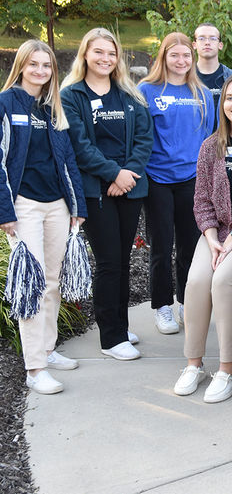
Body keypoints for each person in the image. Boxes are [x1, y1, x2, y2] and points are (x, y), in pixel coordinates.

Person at [60, 28, 154, 361]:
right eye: (98, 52)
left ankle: (119, 325)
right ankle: (110, 338)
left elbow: (145, 138)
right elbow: (79, 146)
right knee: (109, 261)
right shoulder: (71, 95)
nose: (105, 59)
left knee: (122, 261)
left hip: (128, 188)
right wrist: (113, 173)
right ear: (85, 54)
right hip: (95, 191)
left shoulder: (128, 93)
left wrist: (126, 174)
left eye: (111, 53)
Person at [0, 40, 87, 394]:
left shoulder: (53, 108)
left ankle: (47, 351)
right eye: (33, 64)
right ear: (20, 66)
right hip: (23, 206)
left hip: (57, 206)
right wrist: (5, 212)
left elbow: (68, 161)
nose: (40, 71)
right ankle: (34, 369)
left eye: (46, 65)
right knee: (32, 286)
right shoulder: (6, 103)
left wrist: (76, 207)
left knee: (52, 281)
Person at [173, 74, 232, 402]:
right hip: (216, 232)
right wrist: (212, 237)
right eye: (230, 98)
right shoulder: (210, 146)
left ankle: (228, 369)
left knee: (223, 280)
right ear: (221, 103)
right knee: (197, 280)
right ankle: (194, 364)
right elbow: (201, 200)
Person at [138, 32, 215, 335]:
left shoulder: (202, 93)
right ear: (163, 57)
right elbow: (142, 135)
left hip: (192, 180)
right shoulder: (146, 90)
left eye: (186, 55)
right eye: (175, 55)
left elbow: (209, 137)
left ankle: (186, 301)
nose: (181, 61)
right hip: (157, 178)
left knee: (189, 247)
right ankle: (161, 307)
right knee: (161, 246)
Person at [193, 22, 232, 124]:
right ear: (194, 45)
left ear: (220, 45)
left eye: (213, 38)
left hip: (225, 138)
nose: (207, 42)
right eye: (201, 38)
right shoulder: (184, 78)